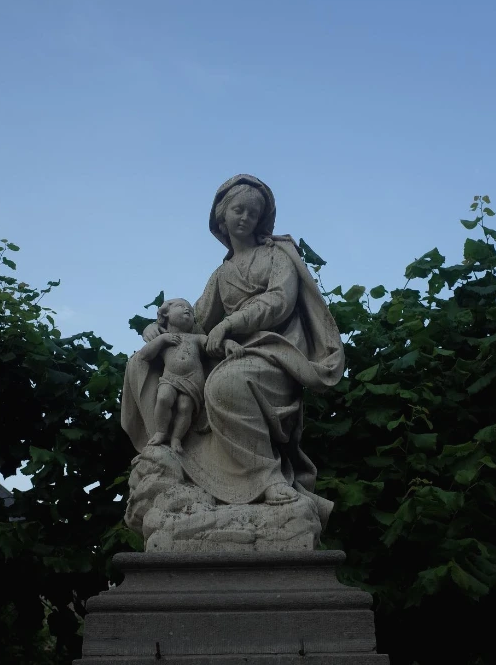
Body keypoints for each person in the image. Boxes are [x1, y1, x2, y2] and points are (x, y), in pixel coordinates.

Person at [121, 174, 345, 522]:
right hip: (234, 353)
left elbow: (279, 301)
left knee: (226, 385)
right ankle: (184, 459)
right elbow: (197, 323)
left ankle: (269, 480)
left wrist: (230, 324)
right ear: (221, 217)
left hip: (276, 350)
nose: (245, 218)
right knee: (146, 363)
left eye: (253, 213)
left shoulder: (277, 255)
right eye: (238, 210)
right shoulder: (221, 274)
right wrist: (159, 328)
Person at [137, 297, 243, 453]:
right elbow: (144, 355)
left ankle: (177, 438)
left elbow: (212, 343)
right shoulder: (164, 339)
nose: (187, 309)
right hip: (170, 377)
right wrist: (162, 339)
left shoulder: (196, 338)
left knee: (185, 407)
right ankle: (161, 432)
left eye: (191, 311)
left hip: (193, 378)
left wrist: (228, 343)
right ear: (166, 314)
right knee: (163, 398)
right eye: (180, 306)